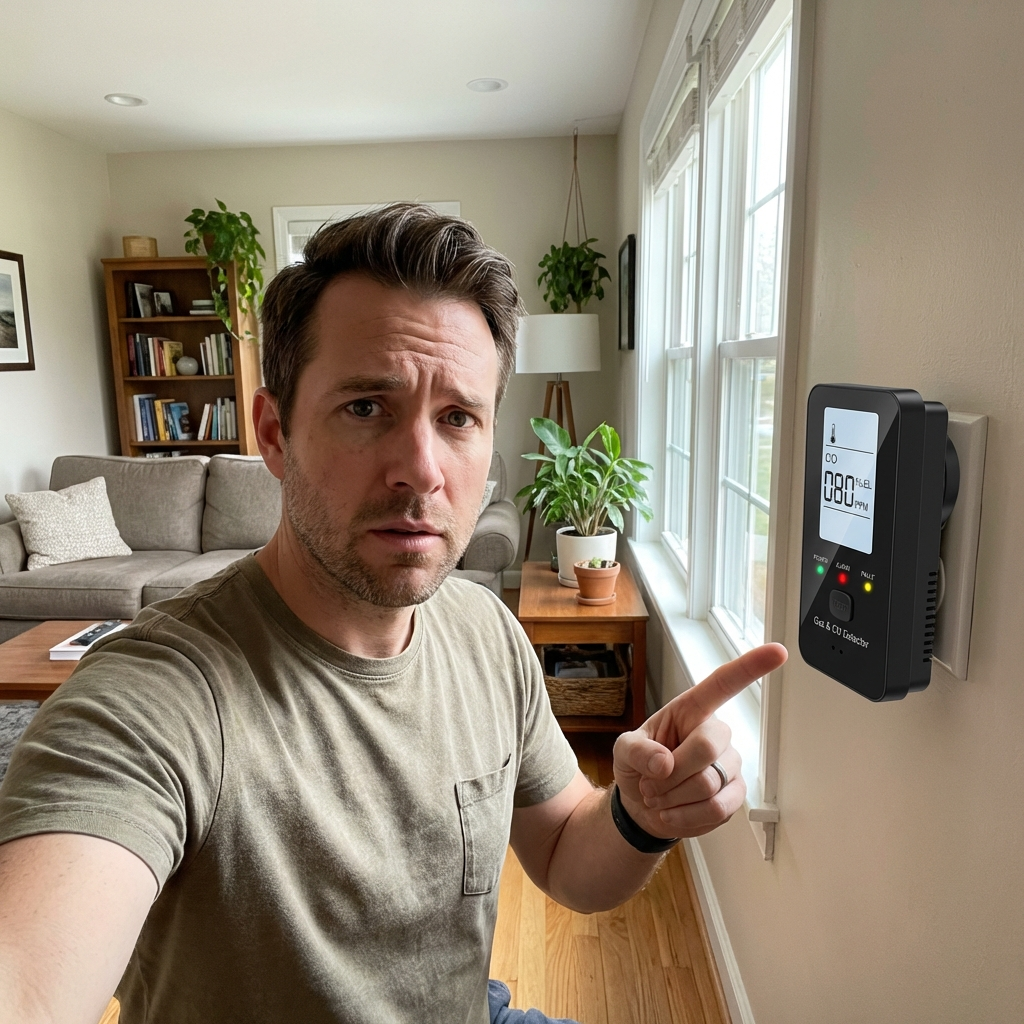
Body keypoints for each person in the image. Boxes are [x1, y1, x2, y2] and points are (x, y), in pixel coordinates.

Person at [0, 204, 786, 1024]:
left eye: (457, 418)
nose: (421, 469)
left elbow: (563, 853)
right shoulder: (154, 700)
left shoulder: (485, 630)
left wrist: (638, 815)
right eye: (367, 407)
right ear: (274, 433)